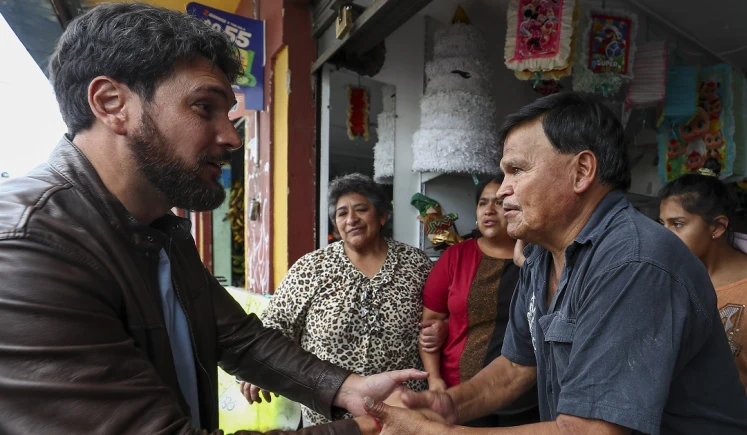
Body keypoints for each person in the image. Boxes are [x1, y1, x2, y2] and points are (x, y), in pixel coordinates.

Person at [0, 4, 427, 434]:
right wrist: (370, 428)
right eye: (205, 107)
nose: (231, 137)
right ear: (112, 103)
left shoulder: (161, 231)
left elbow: (238, 338)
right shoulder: (27, 244)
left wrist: (351, 390)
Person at [361, 92, 747, 435]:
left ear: (582, 171)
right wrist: (450, 405)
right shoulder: (540, 255)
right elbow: (517, 366)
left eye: (516, 170)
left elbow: (592, 430)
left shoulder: (635, 261)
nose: (502, 192)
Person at [240, 173, 432, 427]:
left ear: (383, 215)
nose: (351, 219)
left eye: (361, 209)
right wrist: (261, 366)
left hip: (401, 412)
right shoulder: (312, 267)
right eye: (342, 213)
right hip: (329, 417)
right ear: (335, 224)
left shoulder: (415, 264)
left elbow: (437, 319)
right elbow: (278, 322)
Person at [658, 164, 747, 434]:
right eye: (661, 224)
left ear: (717, 227)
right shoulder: (663, 280)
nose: (664, 236)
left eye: (678, 224)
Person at [418, 175, 539, 427]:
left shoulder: (537, 258)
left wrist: (524, 259)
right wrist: (434, 379)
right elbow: (429, 328)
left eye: (498, 203)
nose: (489, 210)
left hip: (525, 394)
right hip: (460, 393)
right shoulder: (455, 257)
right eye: (483, 203)